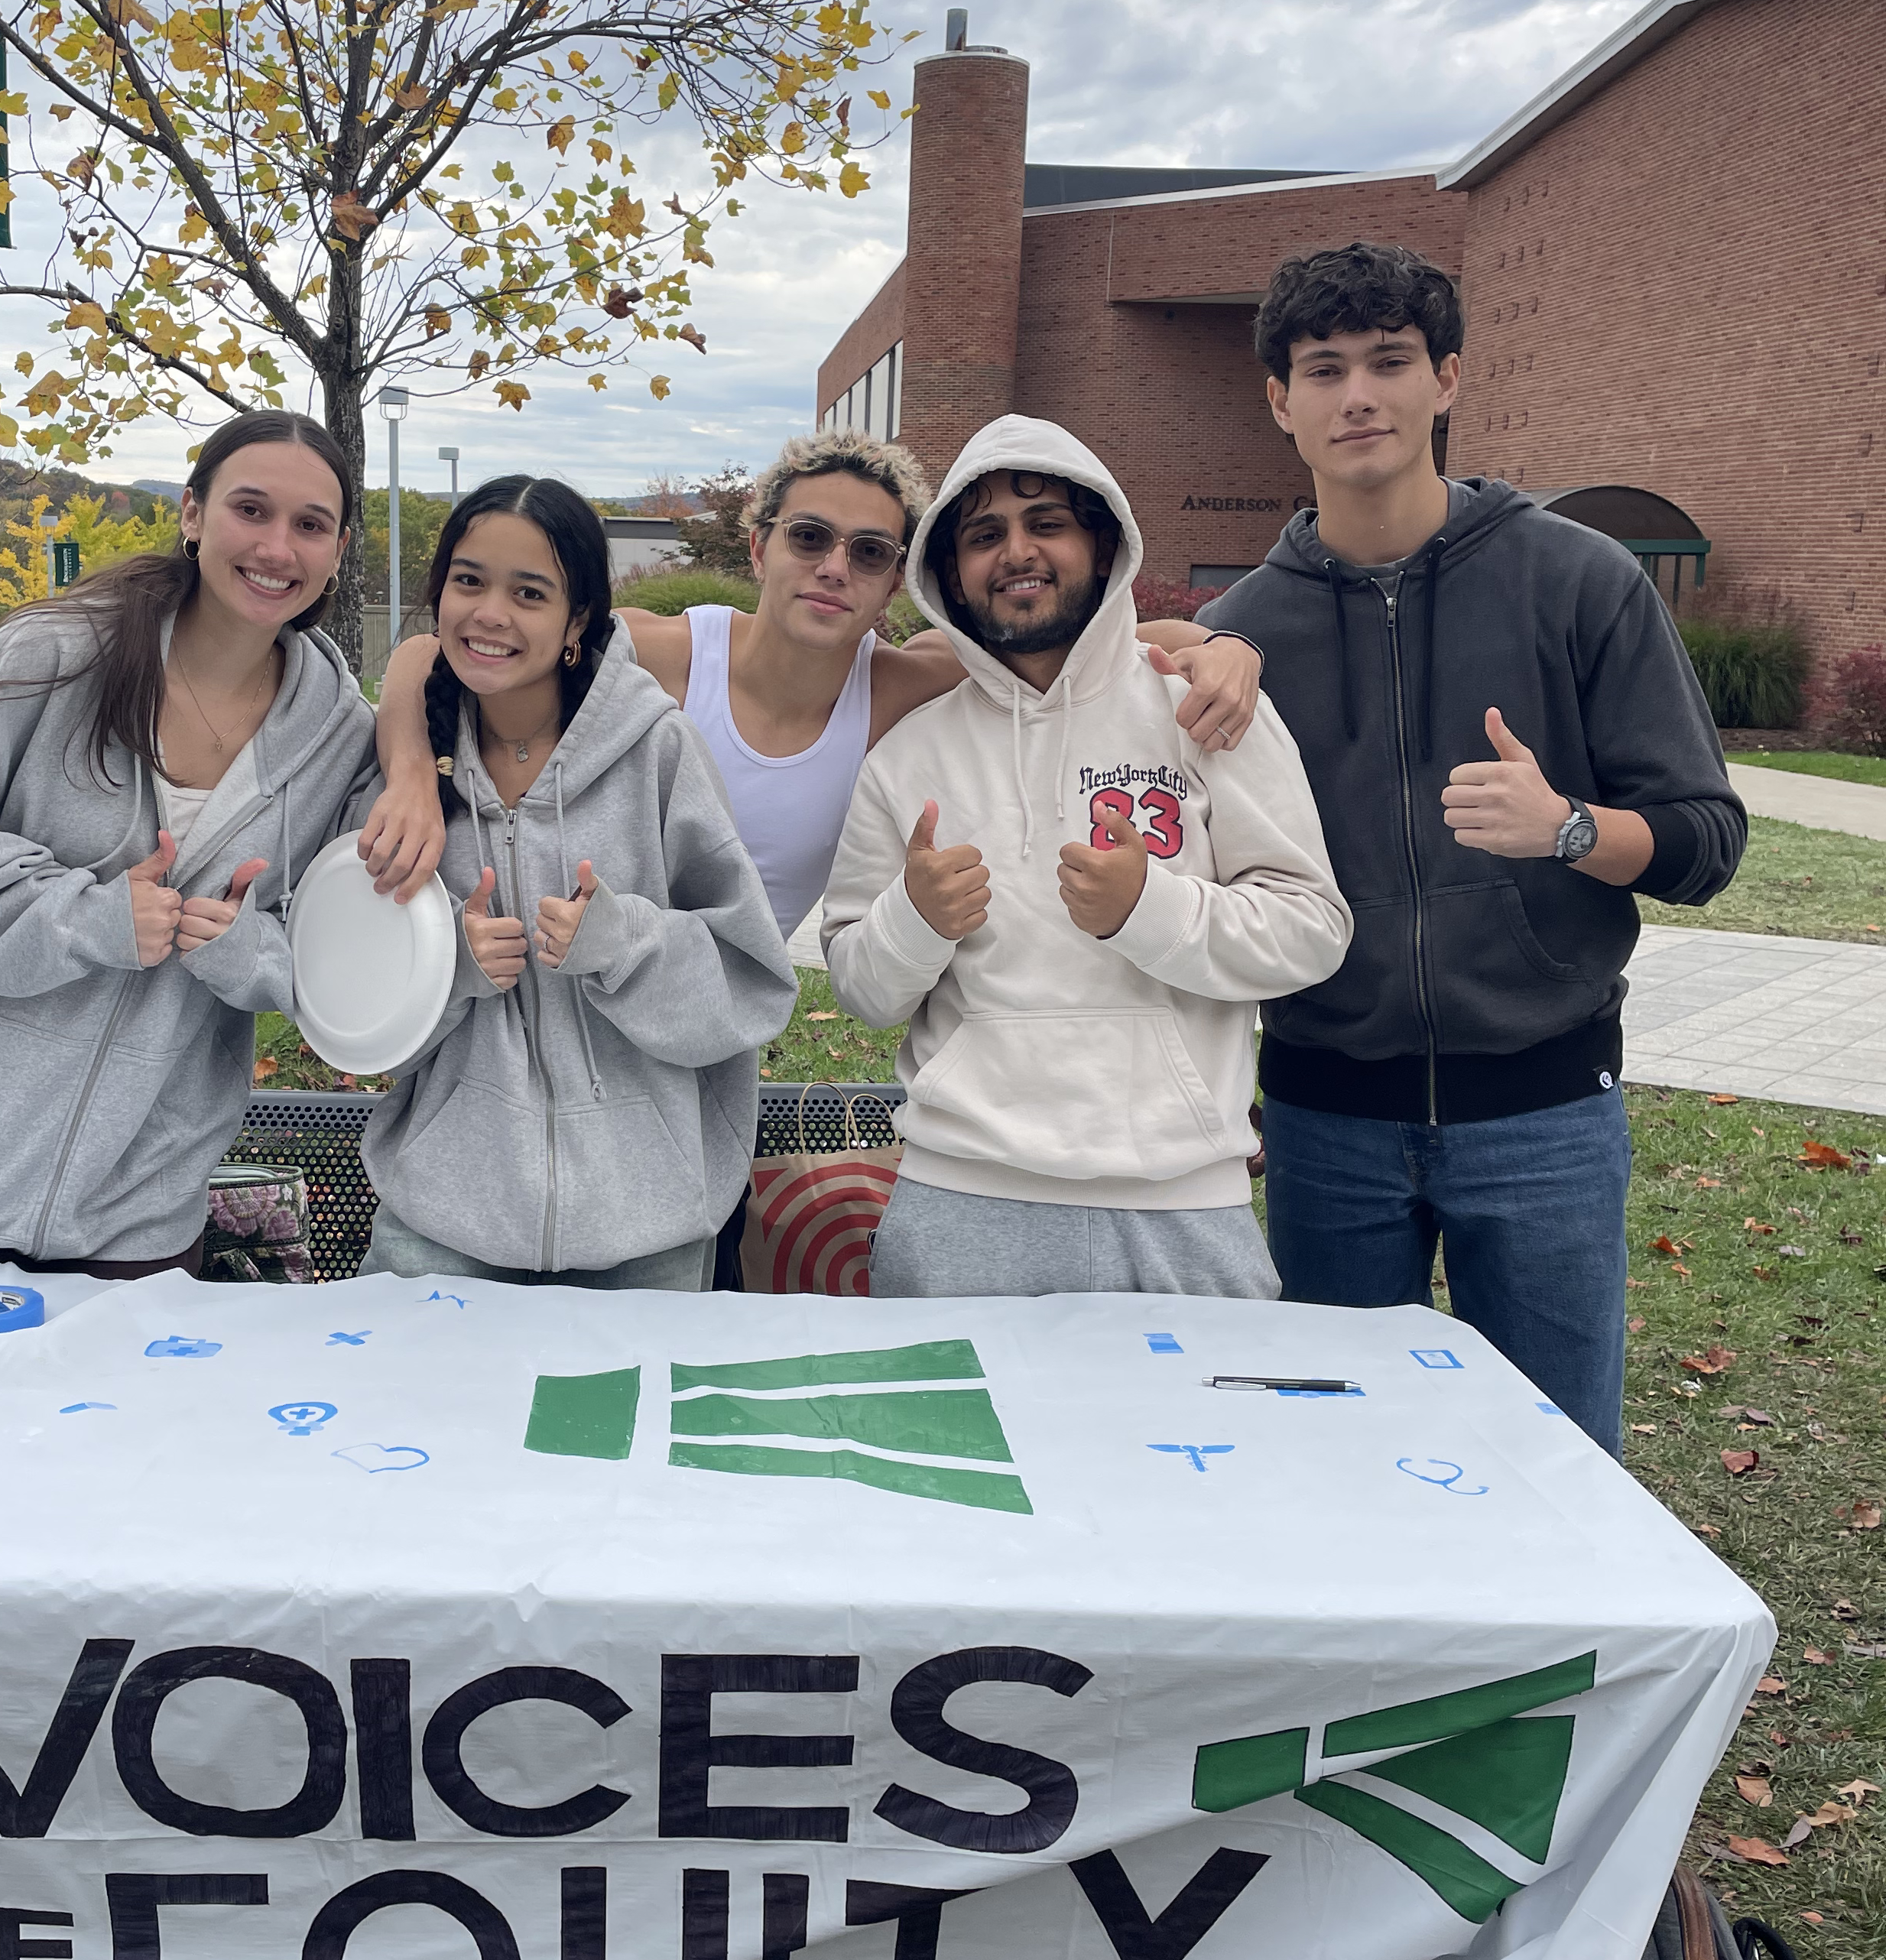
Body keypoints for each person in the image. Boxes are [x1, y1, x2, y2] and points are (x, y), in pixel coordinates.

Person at [362, 429, 1267, 1280]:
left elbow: (1117, 643)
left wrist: (1224, 645)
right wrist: (409, 770)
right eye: (809, 537)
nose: (835, 567)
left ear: (898, 583)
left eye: (871, 552)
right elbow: (436, 650)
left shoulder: (906, 690)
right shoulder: (664, 656)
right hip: (527, 1037)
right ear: (759, 549)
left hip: (691, 1051)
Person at [1194, 240, 1746, 1451]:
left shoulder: (1580, 582)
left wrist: (1570, 830)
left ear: (1445, 379)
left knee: (1557, 1471)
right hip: (1324, 1120)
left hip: (1543, 1109)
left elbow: (1708, 839)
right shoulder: (1239, 636)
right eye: (1324, 369)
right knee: (1340, 1467)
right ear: (1280, 403)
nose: (1359, 397)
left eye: (1389, 362)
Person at [820, 415, 1351, 1298]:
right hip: (960, 1198)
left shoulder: (1206, 707)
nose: (1016, 551)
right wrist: (913, 922)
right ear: (949, 572)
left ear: (1103, 546)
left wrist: (1152, 909)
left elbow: (1313, 933)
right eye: (984, 535)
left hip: (1183, 1204)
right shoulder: (908, 757)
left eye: (1047, 524)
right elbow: (864, 993)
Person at [0, 410, 377, 1278]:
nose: (278, 548)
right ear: (194, 514)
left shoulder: (341, 740)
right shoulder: (57, 653)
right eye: (252, 510)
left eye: (310, 525)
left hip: (145, 1207)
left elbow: (344, 954)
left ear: (338, 548)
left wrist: (245, 949)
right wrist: (82, 915)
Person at [356, 474, 795, 1290]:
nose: (490, 613)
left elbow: (753, 984)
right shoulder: (407, 769)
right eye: (468, 581)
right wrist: (445, 966)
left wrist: (626, 943)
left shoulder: (659, 753)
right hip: (440, 1229)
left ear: (578, 621)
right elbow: (358, 1004)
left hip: (644, 1236)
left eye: (530, 592)